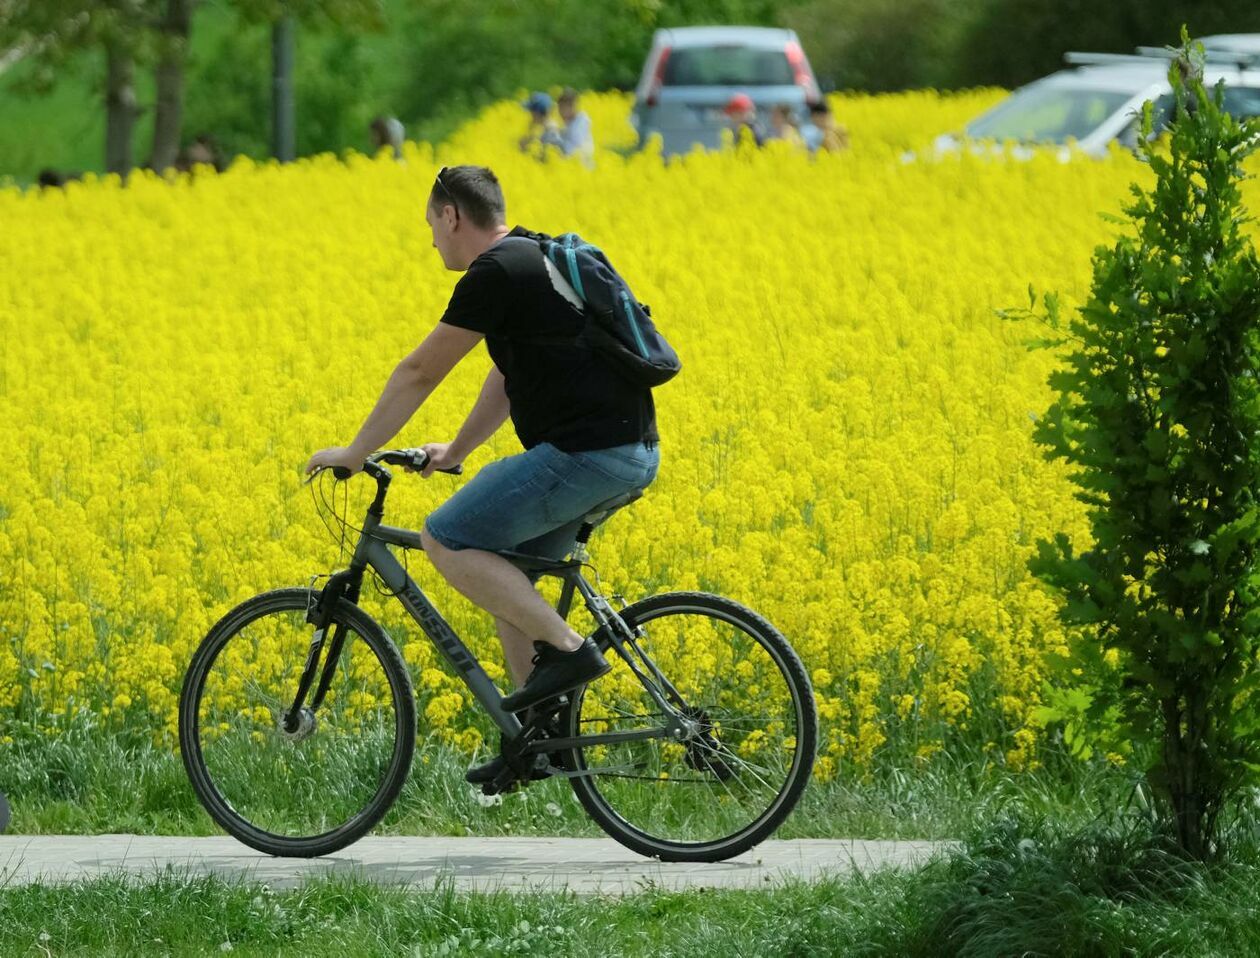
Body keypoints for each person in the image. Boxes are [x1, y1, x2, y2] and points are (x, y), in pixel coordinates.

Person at [304, 165, 661, 783]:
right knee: (504, 567)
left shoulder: (493, 272)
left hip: (587, 453)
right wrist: (457, 449)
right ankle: (537, 742)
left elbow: (420, 371)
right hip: (627, 450)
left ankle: (573, 653)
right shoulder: (534, 257)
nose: (431, 242)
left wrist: (356, 450)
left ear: (452, 216)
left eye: (431, 226)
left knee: (446, 536)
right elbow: (508, 375)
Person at [555, 88, 595, 166]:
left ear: (572, 106)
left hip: (581, 168)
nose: (559, 113)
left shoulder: (580, 123)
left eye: (561, 108)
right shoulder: (571, 124)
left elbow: (575, 148)